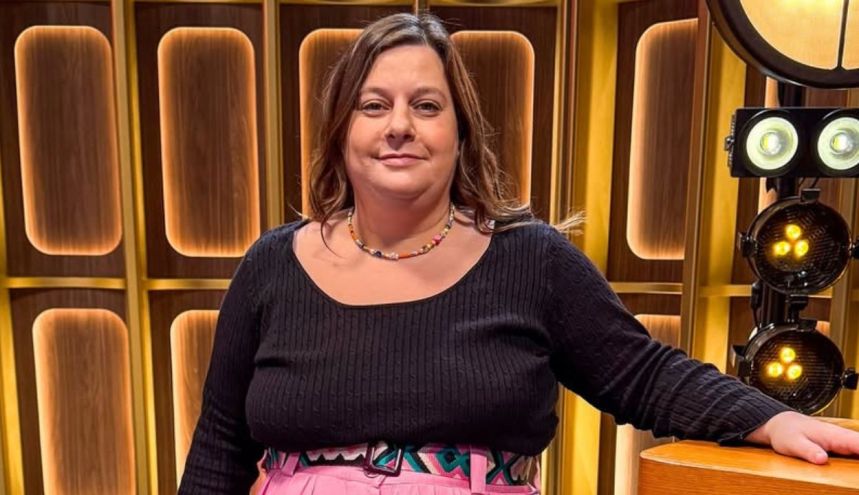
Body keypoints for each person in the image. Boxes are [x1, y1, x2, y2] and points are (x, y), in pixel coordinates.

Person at [178, 12, 859, 495]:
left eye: (426, 106)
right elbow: (219, 445)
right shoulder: (270, 266)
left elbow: (643, 375)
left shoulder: (532, 260)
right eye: (372, 105)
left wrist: (766, 416)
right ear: (339, 130)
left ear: (460, 134)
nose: (399, 127)